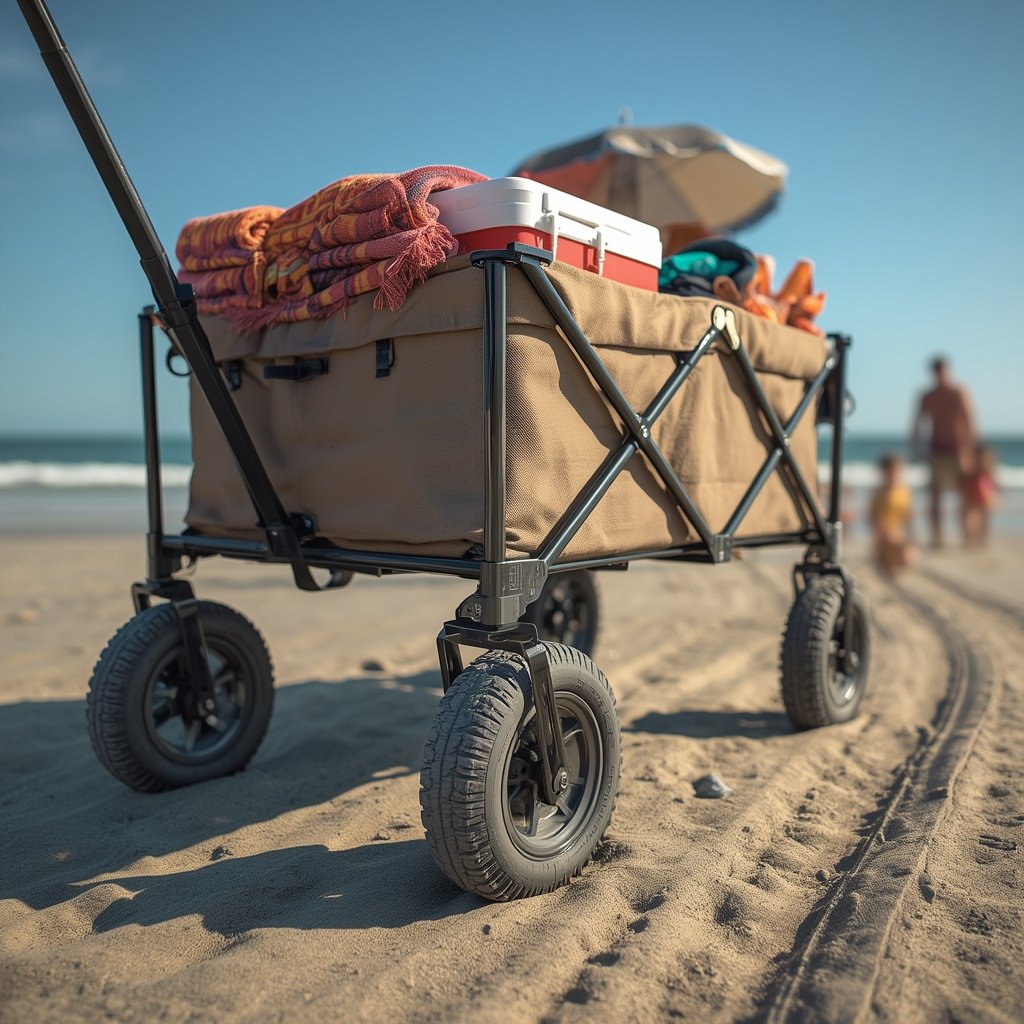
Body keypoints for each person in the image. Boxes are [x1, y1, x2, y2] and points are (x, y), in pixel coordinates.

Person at [911, 356, 977, 547]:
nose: (941, 376)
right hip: (937, 449)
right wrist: (916, 447)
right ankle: (937, 538)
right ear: (933, 373)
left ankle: (967, 536)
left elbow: (970, 421)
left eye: (943, 371)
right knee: (935, 495)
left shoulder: (958, 392)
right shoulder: (928, 396)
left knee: (965, 495)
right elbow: (917, 423)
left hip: (958, 449)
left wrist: (969, 451)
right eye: (938, 372)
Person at [870, 454, 917, 577]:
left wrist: (911, 537)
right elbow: (873, 518)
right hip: (884, 534)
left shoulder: (904, 490)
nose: (894, 475)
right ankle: (884, 559)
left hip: (898, 533)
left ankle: (891, 560)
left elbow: (909, 515)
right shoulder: (879, 493)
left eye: (897, 471)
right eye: (891, 472)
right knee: (891, 540)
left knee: (910, 558)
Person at [963, 443, 997, 547]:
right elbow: (967, 484)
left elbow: (993, 484)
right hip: (974, 497)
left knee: (984, 518)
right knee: (972, 518)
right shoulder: (974, 472)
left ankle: (982, 538)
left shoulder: (988, 471)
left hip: (984, 497)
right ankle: (971, 537)